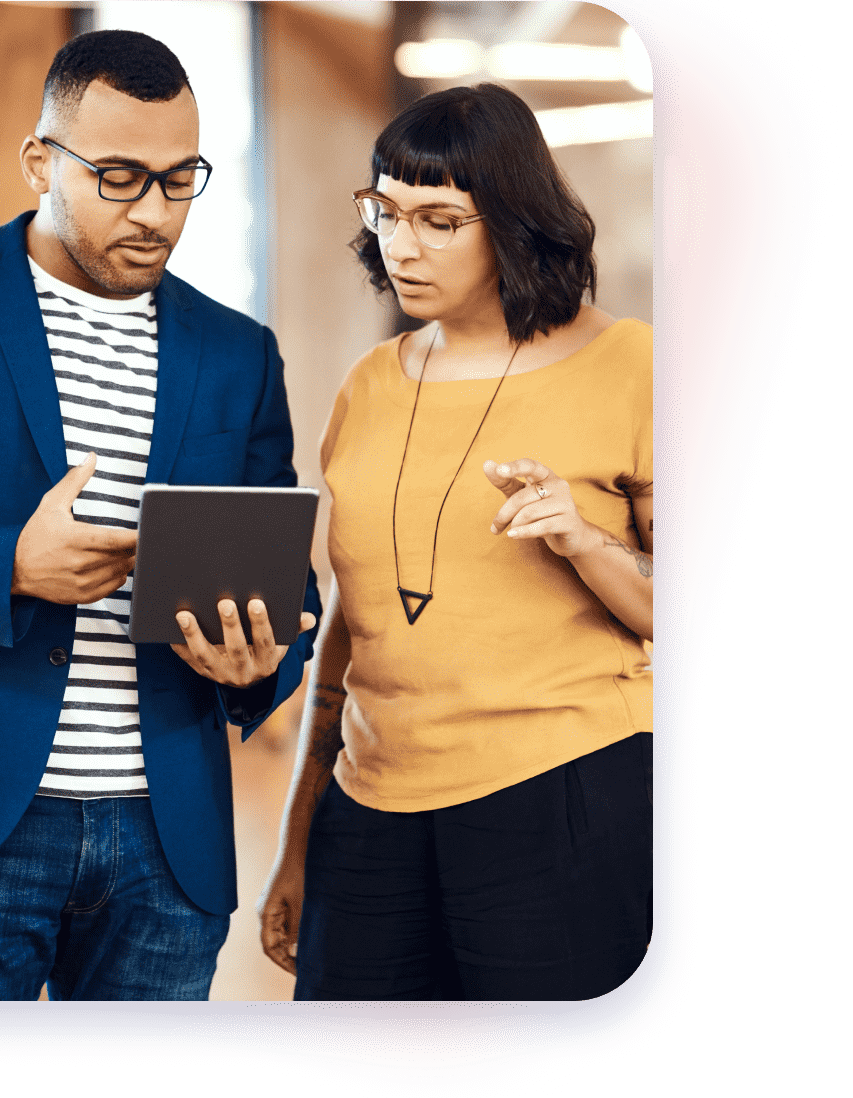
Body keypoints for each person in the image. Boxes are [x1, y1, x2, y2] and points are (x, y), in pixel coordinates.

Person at [0, 29, 320, 1001]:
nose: (154, 211)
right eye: (117, 176)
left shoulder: (240, 352)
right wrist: (9, 568)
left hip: (167, 841)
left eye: (179, 178)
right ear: (40, 162)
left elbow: (286, 584)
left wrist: (261, 659)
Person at [258, 84, 653, 1001]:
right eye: (386, 212)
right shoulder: (368, 383)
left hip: (559, 792)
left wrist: (583, 540)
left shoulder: (629, 363)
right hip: (370, 805)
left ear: (514, 223)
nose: (402, 243)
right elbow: (350, 632)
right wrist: (300, 835)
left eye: (438, 219)